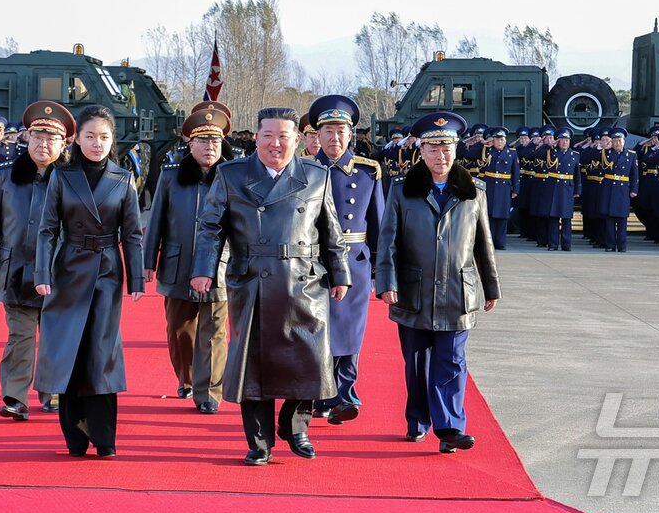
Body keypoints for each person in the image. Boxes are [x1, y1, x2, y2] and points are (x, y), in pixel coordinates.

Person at [191, 107, 350, 466]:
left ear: (297, 139)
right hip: (253, 279)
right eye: (268, 136)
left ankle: (296, 428)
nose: (275, 144)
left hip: (306, 280)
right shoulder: (232, 175)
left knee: (309, 358)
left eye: (284, 136)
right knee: (254, 365)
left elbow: (331, 231)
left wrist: (340, 274)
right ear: (256, 138)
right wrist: (203, 269)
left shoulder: (315, 175)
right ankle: (259, 442)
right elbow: (211, 227)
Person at [375, 110, 499, 453]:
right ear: (421, 151)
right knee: (417, 363)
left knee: (452, 361)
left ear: (456, 150)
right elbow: (388, 240)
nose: (440, 156)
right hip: (413, 290)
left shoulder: (474, 191)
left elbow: (483, 244)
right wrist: (386, 281)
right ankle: (417, 419)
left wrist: (491, 288)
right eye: (432, 149)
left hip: (458, 291)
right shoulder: (402, 191)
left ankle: (450, 427)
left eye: (446, 149)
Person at [33, 104, 144, 458]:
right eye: (90, 136)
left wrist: (137, 278)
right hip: (68, 269)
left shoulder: (123, 178)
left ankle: (105, 437)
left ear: (113, 140)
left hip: (107, 272)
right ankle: (76, 437)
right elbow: (48, 229)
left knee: (102, 352)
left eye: (104, 137)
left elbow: (133, 234)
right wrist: (42, 273)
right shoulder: (61, 177)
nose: (97, 143)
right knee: (70, 351)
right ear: (76, 138)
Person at [0, 101, 74, 421]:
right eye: (36, 137)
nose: (42, 145)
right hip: (15, 268)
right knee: (20, 336)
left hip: (60, 272)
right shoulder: (6, 176)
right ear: (26, 139)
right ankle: (16, 396)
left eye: (50, 139)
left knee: (55, 334)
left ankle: (54, 390)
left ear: (63, 143)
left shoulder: (73, 180)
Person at [143, 100, 234, 414]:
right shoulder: (171, 176)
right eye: (203, 140)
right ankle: (188, 379)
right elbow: (155, 221)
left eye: (215, 141)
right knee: (180, 329)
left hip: (221, 264)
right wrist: (147, 263)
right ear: (189, 143)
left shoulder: (234, 176)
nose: (210, 147)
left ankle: (210, 392)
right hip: (178, 262)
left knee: (215, 330)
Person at [308, 94, 383, 425]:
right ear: (317, 136)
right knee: (317, 331)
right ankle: (319, 394)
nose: (334, 138)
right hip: (314, 263)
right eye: (328, 132)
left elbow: (379, 224)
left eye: (341, 132)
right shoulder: (306, 170)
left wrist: (382, 269)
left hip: (355, 261)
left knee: (350, 332)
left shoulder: (369, 172)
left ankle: (345, 394)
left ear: (351, 134)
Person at [597, 128, 638, 252]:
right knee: (609, 219)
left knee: (622, 220)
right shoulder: (606, 153)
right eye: (614, 141)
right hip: (609, 188)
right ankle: (610, 245)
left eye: (619, 141)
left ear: (624, 142)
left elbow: (634, 175)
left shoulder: (631, 155)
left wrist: (634, 190)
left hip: (623, 189)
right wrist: (600, 146)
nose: (617, 143)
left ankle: (622, 245)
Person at [481, 127, 519, 250]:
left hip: (504, 188)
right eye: (497, 139)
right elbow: (471, 155)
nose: (500, 142)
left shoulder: (511, 153)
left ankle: (501, 242)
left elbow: (515, 173)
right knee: (490, 216)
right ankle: (489, 242)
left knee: (503, 216)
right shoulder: (487, 151)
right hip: (490, 187)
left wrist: (515, 189)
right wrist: (484, 144)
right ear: (493, 140)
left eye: (502, 139)